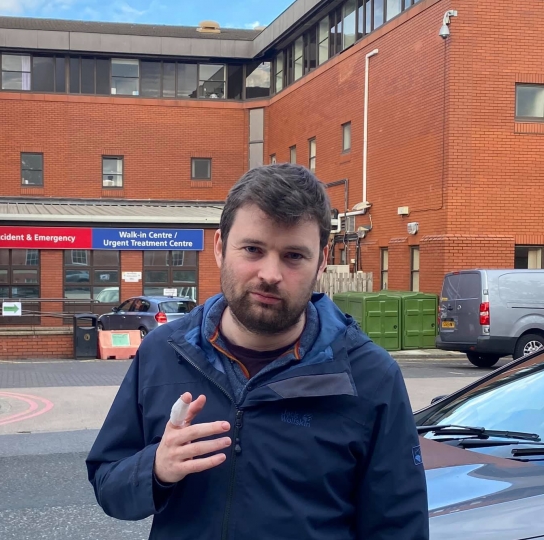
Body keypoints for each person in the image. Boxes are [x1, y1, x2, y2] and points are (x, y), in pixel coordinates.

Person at [86, 164, 429, 539]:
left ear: (322, 260)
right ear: (220, 247)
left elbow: (398, 528)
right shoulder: (163, 352)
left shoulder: (368, 376)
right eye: (253, 249)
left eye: (294, 256)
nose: (270, 273)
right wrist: (156, 467)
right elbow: (108, 484)